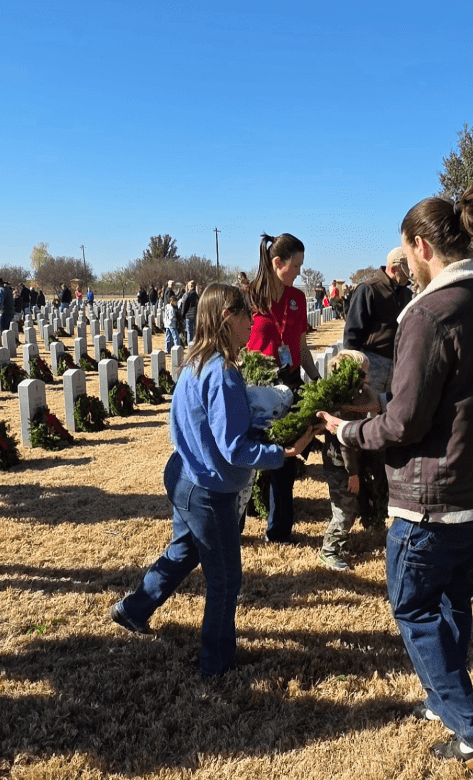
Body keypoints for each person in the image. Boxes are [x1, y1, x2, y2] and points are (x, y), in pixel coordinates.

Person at [318, 178, 473, 770]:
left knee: (413, 606)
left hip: (437, 496)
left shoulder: (431, 313)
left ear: (421, 245)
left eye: (406, 255)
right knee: (452, 594)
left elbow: (403, 423)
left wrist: (349, 431)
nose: (406, 266)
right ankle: (442, 700)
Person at [109, 283, 315, 678]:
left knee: (183, 552)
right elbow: (234, 447)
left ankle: (132, 609)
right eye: (245, 314)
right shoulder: (221, 371)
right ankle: (216, 664)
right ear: (226, 318)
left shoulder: (197, 359)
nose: (252, 321)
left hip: (186, 477)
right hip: (207, 489)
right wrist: (282, 453)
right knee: (225, 579)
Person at [246, 232, 321, 543]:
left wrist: (315, 379)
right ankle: (241, 515)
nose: (300, 272)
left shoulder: (297, 298)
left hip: (289, 383)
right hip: (256, 387)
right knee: (248, 458)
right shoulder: (249, 297)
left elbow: (300, 344)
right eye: (296, 265)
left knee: (285, 461)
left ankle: (279, 531)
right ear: (277, 263)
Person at [317, 350, 371, 571]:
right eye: (365, 373)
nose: (369, 377)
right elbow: (345, 443)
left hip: (341, 464)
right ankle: (329, 552)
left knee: (347, 508)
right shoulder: (345, 403)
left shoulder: (350, 396)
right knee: (344, 512)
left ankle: (337, 546)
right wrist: (353, 474)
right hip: (341, 465)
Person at [343, 247, 413, 396]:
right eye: (405, 272)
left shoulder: (407, 293)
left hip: (395, 362)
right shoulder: (368, 289)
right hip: (371, 362)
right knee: (365, 408)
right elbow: (352, 330)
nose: (410, 276)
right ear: (394, 269)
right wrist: (353, 366)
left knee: (388, 412)